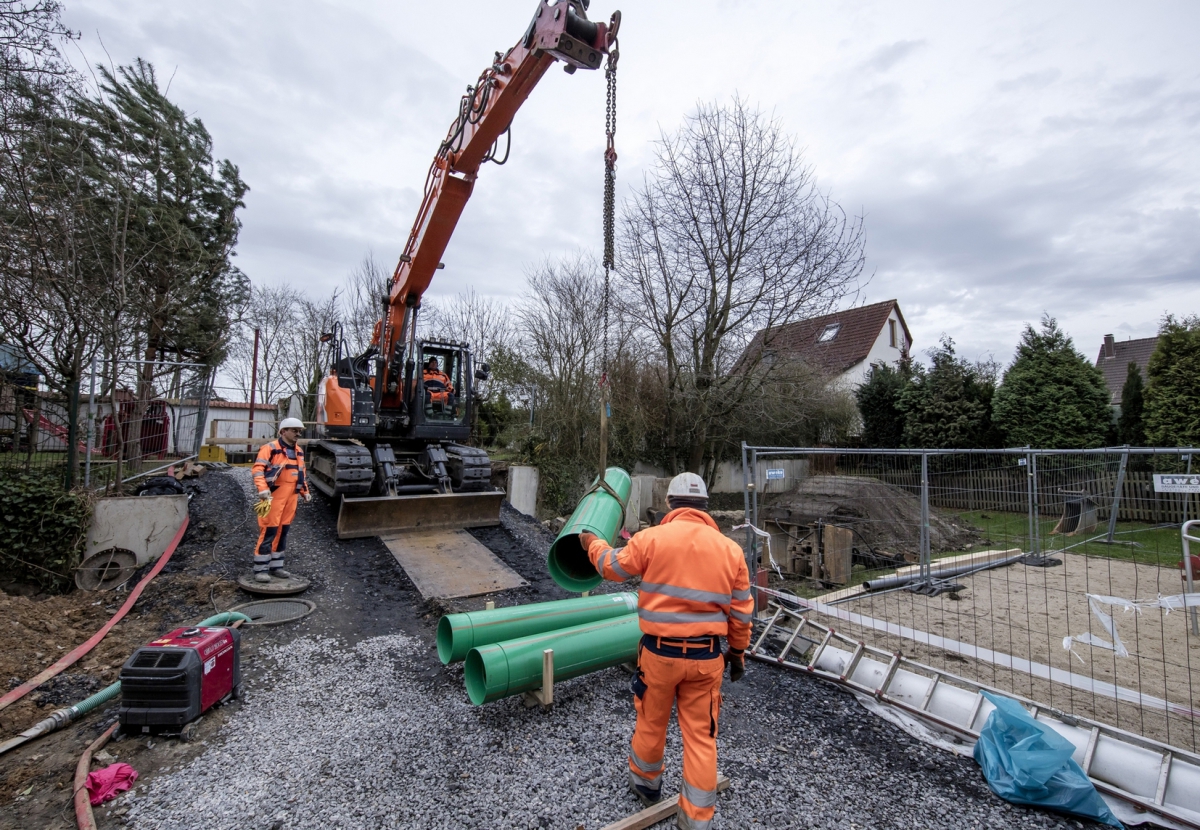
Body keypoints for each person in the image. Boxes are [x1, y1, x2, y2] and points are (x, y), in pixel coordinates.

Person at [580, 472, 753, 830]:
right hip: (706, 660)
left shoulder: (651, 539)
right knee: (702, 738)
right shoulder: (731, 551)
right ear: (705, 506)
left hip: (658, 656)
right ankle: (696, 819)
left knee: (651, 720)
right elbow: (741, 614)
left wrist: (591, 543)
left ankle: (645, 786)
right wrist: (736, 654)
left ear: (671, 504)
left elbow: (611, 567)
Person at [250, 417, 310, 583]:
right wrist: (262, 489)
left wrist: (305, 491)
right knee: (269, 530)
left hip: (291, 496)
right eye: (294, 430)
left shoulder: (298, 451)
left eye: (299, 431)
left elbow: (301, 473)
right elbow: (257, 470)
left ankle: (276, 566)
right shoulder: (270, 448)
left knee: (283, 531)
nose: (298, 434)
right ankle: (261, 568)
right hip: (274, 495)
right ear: (283, 431)